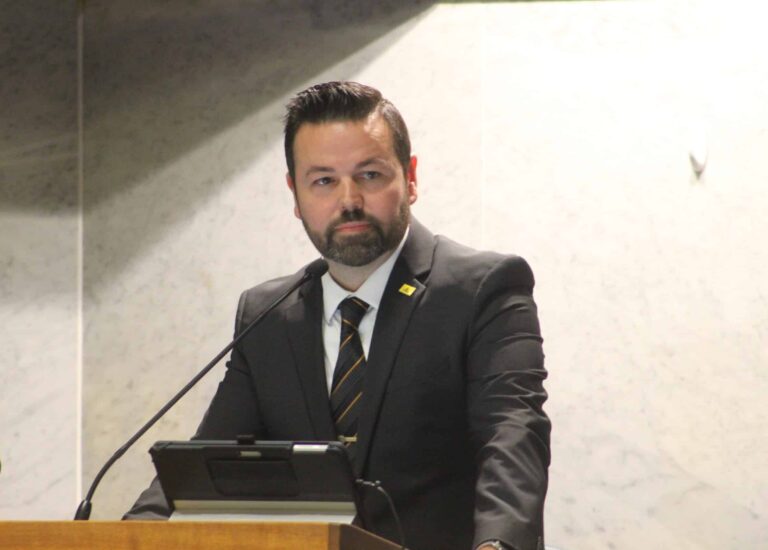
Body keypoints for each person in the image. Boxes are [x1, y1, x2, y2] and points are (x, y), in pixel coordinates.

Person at [125, 81, 551, 550]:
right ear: (295, 194)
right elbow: (205, 467)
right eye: (324, 180)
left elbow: (512, 435)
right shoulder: (269, 316)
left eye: (369, 175)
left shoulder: (482, 289)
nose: (349, 200)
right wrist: (130, 534)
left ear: (410, 177)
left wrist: (497, 545)